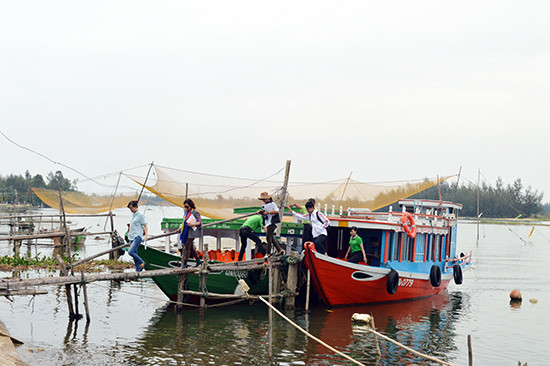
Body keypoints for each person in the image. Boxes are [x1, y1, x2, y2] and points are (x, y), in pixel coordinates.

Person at [178, 198, 203, 268]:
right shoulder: (187, 213)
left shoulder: (195, 212)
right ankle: (198, 260)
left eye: (187, 206)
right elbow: (184, 222)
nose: (186, 208)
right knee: (191, 247)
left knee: (187, 247)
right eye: (185, 206)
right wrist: (180, 228)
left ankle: (185, 263)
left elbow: (199, 222)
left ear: (191, 206)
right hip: (186, 231)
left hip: (192, 232)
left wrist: (192, 224)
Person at [259, 192, 284, 256]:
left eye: (264, 199)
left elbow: (277, 211)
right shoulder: (265, 206)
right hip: (268, 222)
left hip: (272, 222)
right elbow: (264, 213)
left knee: (268, 237)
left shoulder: (272, 204)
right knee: (271, 238)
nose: (264, 201)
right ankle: (279, 250)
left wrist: (268, 212)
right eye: (263, 200)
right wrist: (261, 212)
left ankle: (268, 252)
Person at [127, 200, 148, 272]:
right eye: (130, 208)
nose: (131, 210)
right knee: (134, 254)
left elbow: (145, 225)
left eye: (131, 208)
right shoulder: (133, 215)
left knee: (130, 252)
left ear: (136, 207)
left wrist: (146, 235)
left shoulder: (140, 215)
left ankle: (142, 262)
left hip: (137, 236)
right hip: (131, 236)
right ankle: (138, 270)